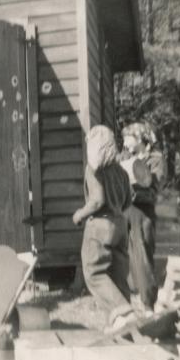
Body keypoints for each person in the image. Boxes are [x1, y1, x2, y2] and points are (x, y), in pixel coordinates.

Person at [72, 125, 136, 333]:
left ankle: (122, 313)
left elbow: (97, 201)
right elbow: (128, 201)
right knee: (118, 272)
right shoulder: (120, 171)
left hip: (100, 225)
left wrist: (79, 214)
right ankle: (128, 320)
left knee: (94, 272)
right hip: (119, 225)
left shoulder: (94, 170)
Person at [121, 122, 166, 269]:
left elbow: (155, 189)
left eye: (127, 138)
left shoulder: (156, 159)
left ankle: (147, 292)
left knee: (144, 257)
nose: (124, 143)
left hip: (144, 213)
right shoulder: (124, 158)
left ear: (139, 139)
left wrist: (133, 192)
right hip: (125, 211)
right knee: (126, 257)